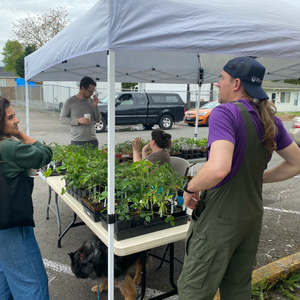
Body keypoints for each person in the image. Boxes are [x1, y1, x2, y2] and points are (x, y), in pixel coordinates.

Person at [177, 57, 300, 299]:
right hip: (251, 217)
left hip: (221, 220)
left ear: (235, 84)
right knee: (237, 287)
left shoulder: (224, 113)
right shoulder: (270, 120)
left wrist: (190, 187)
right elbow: (297, 162)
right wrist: (257, 178)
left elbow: (218, 169)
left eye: (221, 78)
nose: (217, 83)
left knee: (194, 290)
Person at [0, 97, 53, 300]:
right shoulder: (8, 147)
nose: (17, 120)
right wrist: (21, 135)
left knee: (5, 278)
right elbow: (45, 154)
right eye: (10, 117)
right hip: (11, 224)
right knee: (33, 284)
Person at [60, 76, 101, 149]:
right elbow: (62, 119)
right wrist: (78, 121)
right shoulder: (70, 101)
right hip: (77, 142)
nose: (92, 94)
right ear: (83, 89)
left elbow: (98, 120)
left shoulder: (91, 101)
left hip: (92, 140)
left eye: (93, 91)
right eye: (90, 91)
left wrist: (96, 106)